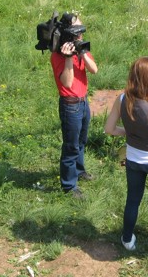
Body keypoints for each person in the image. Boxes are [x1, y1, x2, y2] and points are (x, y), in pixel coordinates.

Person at [105, 56, 148, 259]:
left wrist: (128, 132)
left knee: (132, 200)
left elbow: (109, 129)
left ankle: (127, 239)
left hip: (133, 161)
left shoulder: (122, 99)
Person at [51, 13, 98, 199]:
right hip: (70, 105)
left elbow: (94, 70)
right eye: (77, 31)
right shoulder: (58, 56)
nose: (81, 35)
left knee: (81, 141)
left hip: (83, 102)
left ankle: (79, 171)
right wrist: (69, 58)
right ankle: (69, 186)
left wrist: (82, 52)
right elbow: (68, 83)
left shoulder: (82, 48)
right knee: (71, 146)